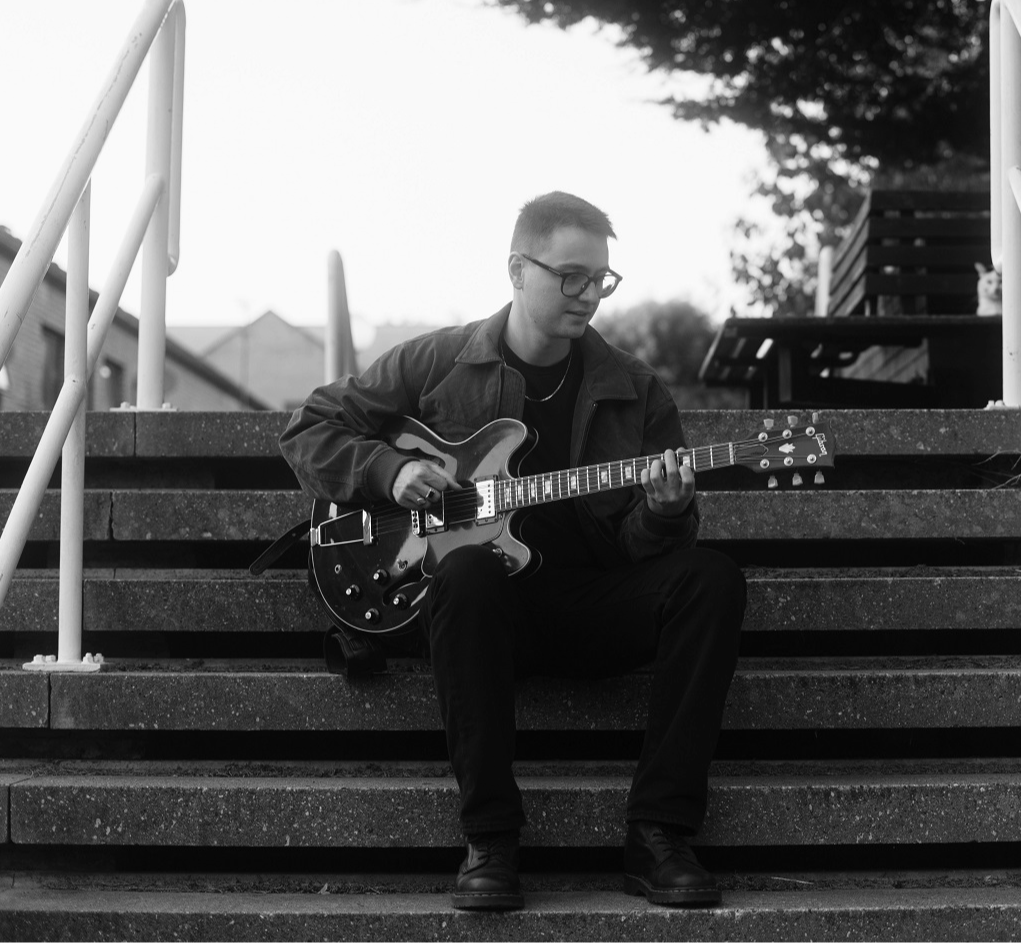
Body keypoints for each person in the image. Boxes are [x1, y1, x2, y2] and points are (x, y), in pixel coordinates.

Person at [279, 191, 747, 911]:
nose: (589, 295)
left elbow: (640, 548)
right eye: (570, 276)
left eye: (601, 279)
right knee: (467, 571)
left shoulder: (635, 390)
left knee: (711, 579)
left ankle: (659, 834)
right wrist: (391, 471)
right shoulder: (438, 360)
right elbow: (309, 428)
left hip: (593, 605)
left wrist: (666, 511)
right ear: (516, 270)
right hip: (483, 612)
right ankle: (490, 837)